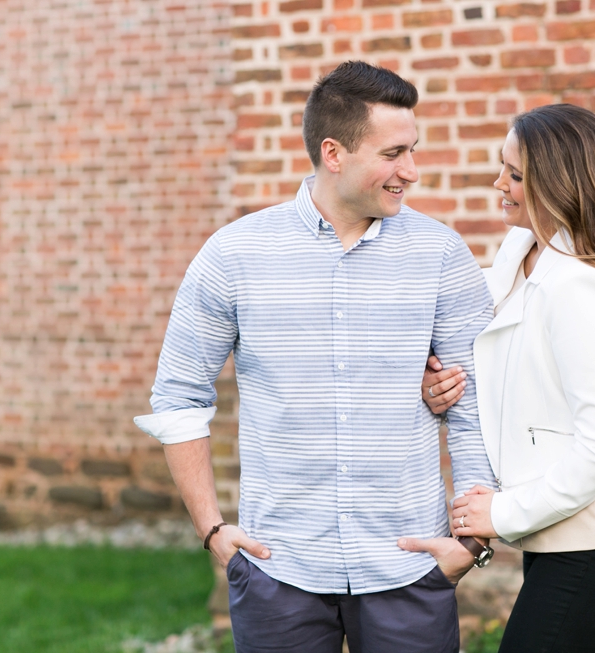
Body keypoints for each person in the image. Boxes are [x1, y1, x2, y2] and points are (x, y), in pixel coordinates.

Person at [134, 61, 498, 653]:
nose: (412, 171)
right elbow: (178, 397)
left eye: (413, 150)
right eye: (394, 153)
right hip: (279, 566)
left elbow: (476, 399)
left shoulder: (441, 254)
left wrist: (471, 542)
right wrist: (212, 530)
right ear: (334, 153)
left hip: (409, 563)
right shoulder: (234, 255)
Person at [420, 104, 595, 653]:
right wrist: (441, 380)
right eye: (501, 168)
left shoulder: (578, 286)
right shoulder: (520, 256)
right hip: (564, 532)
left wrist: (502, 512)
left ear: (558, 184)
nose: (499, 184)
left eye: (515, 175)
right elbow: (504, 363)